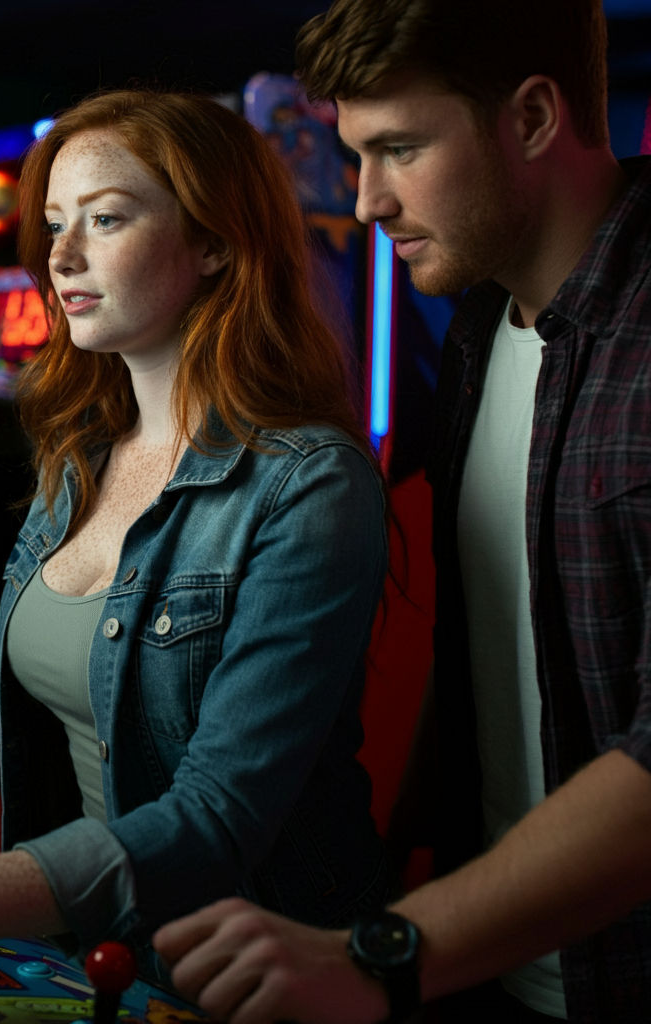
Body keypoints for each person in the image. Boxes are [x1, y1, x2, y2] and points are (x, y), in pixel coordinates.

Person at [0, 88, 394, 979]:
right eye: (54, 225)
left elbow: (217, 817)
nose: (61, 257)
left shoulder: (309, 483)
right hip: (81, 954)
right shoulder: (80, 454)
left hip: (239, 975)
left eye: (106, 219)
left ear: (214, 243)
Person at [153, 1, 651, 1022]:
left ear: (531, 118)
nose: (367, 199)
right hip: (492, 968)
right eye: (356, 154)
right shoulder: (477, 329)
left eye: (401, 149)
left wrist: (385, 952)